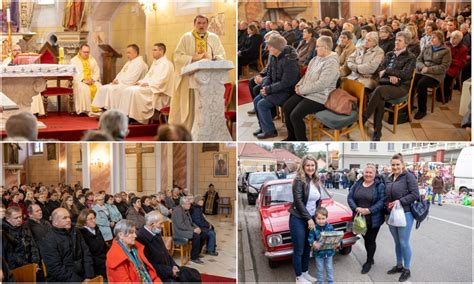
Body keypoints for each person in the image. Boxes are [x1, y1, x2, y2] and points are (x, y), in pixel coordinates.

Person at [170, 14, 226, 131]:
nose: (201, 25)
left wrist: (212, 57)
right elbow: (177, 56)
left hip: (209, 80)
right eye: (198, 23)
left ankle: (208, 129)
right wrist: (192, 58)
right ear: (194, 24)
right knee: (191, 106)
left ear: (207, 24)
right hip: (190, 80)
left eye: (204, 23)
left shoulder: (213, 38)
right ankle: (190, 130)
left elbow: (221, 55)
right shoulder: (186, 37)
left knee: (207, 106)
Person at [283, 35, 339, 141]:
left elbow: (322, 84)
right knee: (286, 107)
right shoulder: (316, 58)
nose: (315, 48)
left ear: (326, 47)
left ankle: (302, 141)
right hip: (308, 92)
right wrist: (299, 85)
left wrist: (302, 90)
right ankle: (292, 137)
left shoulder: (332, 63)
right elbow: (306, 75)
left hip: (321, 96)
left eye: (318, 46)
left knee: (295, 115)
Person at [363, 31, 416, 141]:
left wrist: (388, 71)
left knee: (378, 91)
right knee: (380, 97)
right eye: (396, 39)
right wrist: (391, 74)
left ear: (406, 43)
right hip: (385, 83)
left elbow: (406, 75)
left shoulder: (410, 57)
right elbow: (379, 70)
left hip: (401, 87)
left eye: (399, 40)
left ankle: (365, 116)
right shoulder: (389, 54)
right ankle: (377, 132)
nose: (396, 42)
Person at [253, 34, 299, 139]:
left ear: (277, 47)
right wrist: (265, 87)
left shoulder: (289, 60)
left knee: (262, 104)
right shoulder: (273, 56)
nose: (267, 48)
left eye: (269, 46)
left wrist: (269, 89)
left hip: (287, 91)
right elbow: (269, 75)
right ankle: (264, 127)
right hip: (276, 88)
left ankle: (270, 131)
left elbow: (287, 82)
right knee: (256, 100)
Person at [137, 211, 201, 282]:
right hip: (160, 274)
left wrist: (174, 265)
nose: (163, 226)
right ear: (152, 224)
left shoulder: (155, 231)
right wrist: (171, 272)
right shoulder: (141, 238)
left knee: (194, 275)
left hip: (169, 268)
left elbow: (166, 253)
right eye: (160, 223)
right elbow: (150, 266)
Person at [118, 43, 175, 124]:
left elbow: (162, 81)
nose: (152, 52)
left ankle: (139, 119)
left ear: (161, 51)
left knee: (134, 92)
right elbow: (148, 76)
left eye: (155, 50)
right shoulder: (155, 63)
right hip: (151, 87)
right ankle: (127, 116)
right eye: (153, 50)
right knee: (128, 90)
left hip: (159, 91)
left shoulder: (167, 64)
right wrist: (141, 82)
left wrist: (148, 84)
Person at [384, 153, 419, 282]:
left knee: (404, 242)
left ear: (403, 165)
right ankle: (399, 265)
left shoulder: (409, 177)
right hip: (392, 215)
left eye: (398, 164)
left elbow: (415, 194)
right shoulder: (389, 178)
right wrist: (386, 213)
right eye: (393, 164)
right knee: (397, 242)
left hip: (405, 214)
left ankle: (407, 269)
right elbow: (386, 197)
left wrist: (400, 201)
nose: (395, 167)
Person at [347, 163, 386, 274]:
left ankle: (369, 261)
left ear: (375, 174)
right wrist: (356, 208)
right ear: (363, 173)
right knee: (365, 239)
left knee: (370, 240)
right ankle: (371, 257)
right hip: (360, 219)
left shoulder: (379, 186)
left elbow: (382, 201)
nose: (368, 174)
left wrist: (369, 210)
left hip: (374, 220)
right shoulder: (357, 184)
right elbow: (350, 197)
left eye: (370, 173)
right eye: (366, 172)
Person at [288, 155, 321, 283]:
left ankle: (305, 272)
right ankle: (299, 277)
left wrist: (317, 216)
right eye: (308, 165)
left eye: (312, 165)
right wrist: (309, 219)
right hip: (298, 218)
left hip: (311, 218)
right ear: (303, 166)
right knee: (299, 249)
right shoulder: (298, 180)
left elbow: (318, 200)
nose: (310, 167)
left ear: (315, 167)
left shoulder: (316, 180)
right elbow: (298, 201)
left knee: (308, 247)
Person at [39, 208, 95, 282]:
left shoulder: (75, 231)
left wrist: (88, 276)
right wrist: (79, 281)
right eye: (64, 218)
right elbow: (55, 268)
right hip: (62, 280)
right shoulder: (48, 240)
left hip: (83, 275)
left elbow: (86, 253)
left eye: (69, 217)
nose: (68, 220)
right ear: (55, 222)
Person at [92, 44, 148, 110]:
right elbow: (121, 73)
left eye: (129, 53)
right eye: (127, 53)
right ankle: (104, 110)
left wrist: (119, 81)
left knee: (112, 89)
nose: (127, 55)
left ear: (135, 53)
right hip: (122, 83)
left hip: (129, 85)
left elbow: (133, 79)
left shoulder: (140, 63)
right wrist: (116, 80)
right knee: (103, 88)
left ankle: (113, 112)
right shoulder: (129, 62)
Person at [411, 30, 451, 120]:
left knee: (421, 84)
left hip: (435, 74)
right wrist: (422, 67)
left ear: (440, 39)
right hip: (422, 70)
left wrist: (428, 69)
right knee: (411, 80)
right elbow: (418, 60)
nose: (431, 39)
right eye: (431, 37)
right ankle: (409, 105)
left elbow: (444, 67)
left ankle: (422, 110)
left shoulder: (446, 51)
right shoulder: (427, 47)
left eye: (434, 37)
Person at [2, 207, 42, 275]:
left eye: (20, 217)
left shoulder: (24, 227)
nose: (19, 219)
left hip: (31, 266)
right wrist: (28, 266)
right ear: (8, 219)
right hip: (16, 269)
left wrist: (35, 262)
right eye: (16, 218)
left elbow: (33, 245)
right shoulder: (4, 233)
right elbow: (11, 255)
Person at [171, 197, 206, 264]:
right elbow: (180, 225)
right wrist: (193, 230)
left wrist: (197, 227)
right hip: (179, 232)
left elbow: (191, 222)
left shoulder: (185, 209)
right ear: (182, 204)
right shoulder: (177, 211)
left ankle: (197, 253)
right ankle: (194, 257)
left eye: (189, 204)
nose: (189, 205)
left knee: (203, 233)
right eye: (187, 204)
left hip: (186, 229)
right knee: (196, 236)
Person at [308, 207, 338, 284]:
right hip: (319, 253)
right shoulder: (313, 229)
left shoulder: (330, 227)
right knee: (320, 268)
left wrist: (336, 243)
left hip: (329, 252)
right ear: (315, 218)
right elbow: (310, 239)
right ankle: (320, 281)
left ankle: (330, 281)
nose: (321, 221)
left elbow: (334, 237)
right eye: (319, 218)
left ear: (326, 218)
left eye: (323, 218)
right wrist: (313, 243)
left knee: (329, 268)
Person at [70, 43, 102, 115]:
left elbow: (97, 71)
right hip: (80, 81)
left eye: (88, 52)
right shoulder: (74, 60)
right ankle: (84, 109)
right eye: (84, 52)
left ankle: (99, 108)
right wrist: (83, 80)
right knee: (84, 88)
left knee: (99, 86)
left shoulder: (92, 59)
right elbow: (73, 74)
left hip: (91, 81)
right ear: (80, 51)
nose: (86, 54)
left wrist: (93, 79)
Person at [77, 209, 109, 279]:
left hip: (104, 259)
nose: (94, 220)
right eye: (90, 219)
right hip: (94, 264)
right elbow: (87, 255)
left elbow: (104, 246)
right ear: (84, 221)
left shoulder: (96, 229)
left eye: (94, 218)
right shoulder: (81, 233)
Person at [441, 30, 467, 102]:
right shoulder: (445, 44)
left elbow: (462, 63)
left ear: (459, 39)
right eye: (451, 37)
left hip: (453, 68)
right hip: (444, 65)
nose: (452, 39)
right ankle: (439, 91)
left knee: (447, 75)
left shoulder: (463, 49)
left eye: (455, 38)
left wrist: (451, 60)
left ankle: (445, 94)